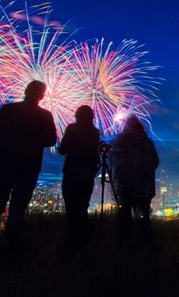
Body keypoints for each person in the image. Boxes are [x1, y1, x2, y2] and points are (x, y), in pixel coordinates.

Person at [0, 80, 56, 249]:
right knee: (18, 207)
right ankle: (11, 246)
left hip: (3, 164)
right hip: (29, 166)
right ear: (42, 96)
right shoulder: (45, 115)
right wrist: (33, 141)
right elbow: (51, 140)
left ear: (26, 91)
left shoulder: (8, 110)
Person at [112, 115, 159, 245]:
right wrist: (144, 172)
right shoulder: (147, 141)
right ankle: (145, 246)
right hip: (144, 188)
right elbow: (155, 161)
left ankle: (125, 246)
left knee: (125, 217)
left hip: (126, 186)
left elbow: (115, 161)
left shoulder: (121, 141)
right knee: (143, 217)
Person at [58, 105, 100, 252]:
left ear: (77, 115)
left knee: (71, 206)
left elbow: (62, 149)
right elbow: (96, 156)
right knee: (83, 206)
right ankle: (83, 240)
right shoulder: (95, 132)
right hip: (87, 174)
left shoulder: (71, 129)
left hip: (71, 172)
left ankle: (72, 238)